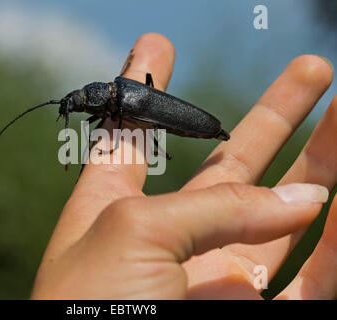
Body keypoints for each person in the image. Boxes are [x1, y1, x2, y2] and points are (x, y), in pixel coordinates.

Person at [32, 33, 336, 299]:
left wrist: (112, 146)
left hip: (187, 120)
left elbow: (127, 119)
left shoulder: (121, 100)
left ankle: (180, 135)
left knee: (139, 115)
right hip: (150, 107)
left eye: (78, 103)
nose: (77, 106)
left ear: (92, 100)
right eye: (76, 103)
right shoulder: (115, 94)